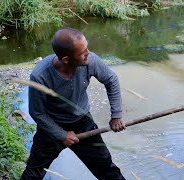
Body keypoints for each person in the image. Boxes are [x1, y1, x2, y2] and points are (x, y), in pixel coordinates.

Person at [21, 28, 126, 180]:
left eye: (87, 47)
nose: (88, 53)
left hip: (83, 121)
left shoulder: (90, 60)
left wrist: (116, 115)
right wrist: (61, 134)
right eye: (83, 52)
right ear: (66, 60)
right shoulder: (40, 75)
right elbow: (37, 112)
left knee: (107, 169)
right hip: (52, 126)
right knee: (34, 173)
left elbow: (111, 80)